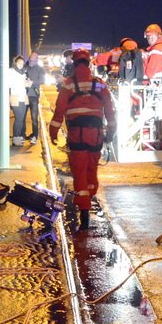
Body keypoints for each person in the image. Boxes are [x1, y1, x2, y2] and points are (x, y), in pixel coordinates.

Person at [48, 49, 116, 230]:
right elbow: (110, 109)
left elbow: (59, 111)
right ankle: (90, 196)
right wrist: (112, 130)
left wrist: (53, 133)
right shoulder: (99, 84)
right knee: (91, 170)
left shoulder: (68, 85)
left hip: (77, 134)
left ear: (74, 63)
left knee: (79, 173)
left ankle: (84, 209)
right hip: (96, 135)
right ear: (89, 63)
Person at [5, 54, 30, 146]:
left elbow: (23, 83)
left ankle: (19, 137)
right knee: (18, 118)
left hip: (23, 96)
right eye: (19, 63)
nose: (21, 65)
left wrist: (27, 83)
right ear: (15, 62)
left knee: (22, 119)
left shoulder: (23, 72)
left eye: (22, 63)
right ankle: (15, 138)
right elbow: (9, 84)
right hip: (15, 96)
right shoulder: (10, 71)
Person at [25, 52, 47, 144]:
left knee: (34, 117)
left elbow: (42, 80)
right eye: (30, 60)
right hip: (23, 95)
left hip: (33, 95)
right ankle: (22, 134)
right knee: (21, 117)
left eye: (33, 61)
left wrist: (33, 82)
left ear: (37, 60)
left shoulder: (40, 69)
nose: (31, 62)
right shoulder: (24, 66)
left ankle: (35, 135)